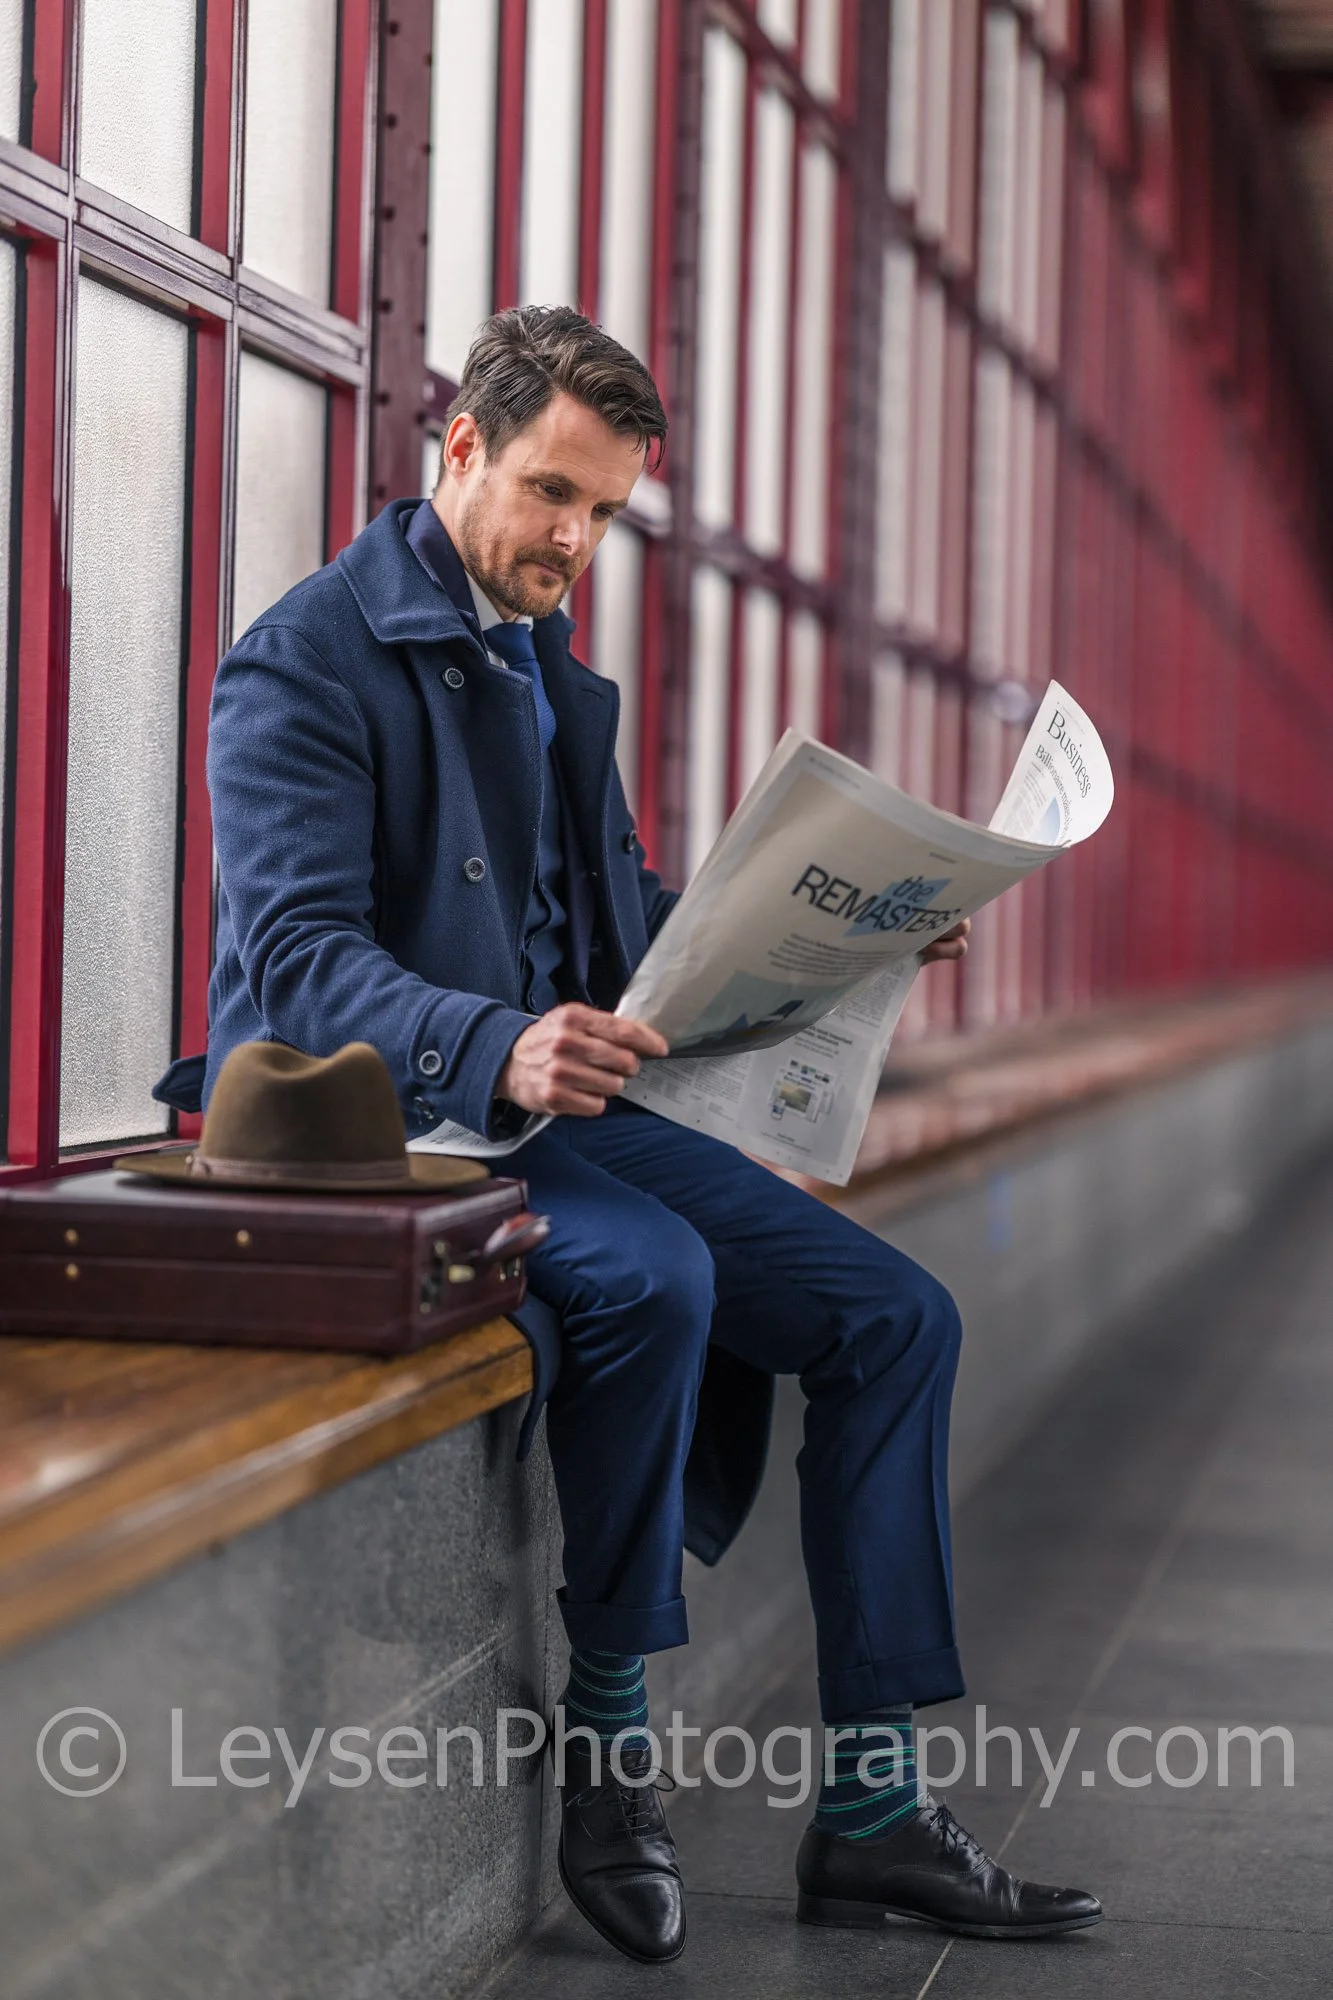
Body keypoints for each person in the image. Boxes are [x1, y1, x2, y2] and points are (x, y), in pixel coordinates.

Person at [163, 306, 1102, 1962]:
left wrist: (853, 934)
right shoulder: (302, 655)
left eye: (603, 512)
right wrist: (501, 1044)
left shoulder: (545, 668)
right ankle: (609, 1742)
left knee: (900, 1319)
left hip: (553, 1111)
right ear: (458, 447)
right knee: (658, 1271)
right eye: (550, 494)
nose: (573, 542)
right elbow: (295, 964)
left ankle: (876, 1808)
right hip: (394, 1130)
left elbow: (615, 934)